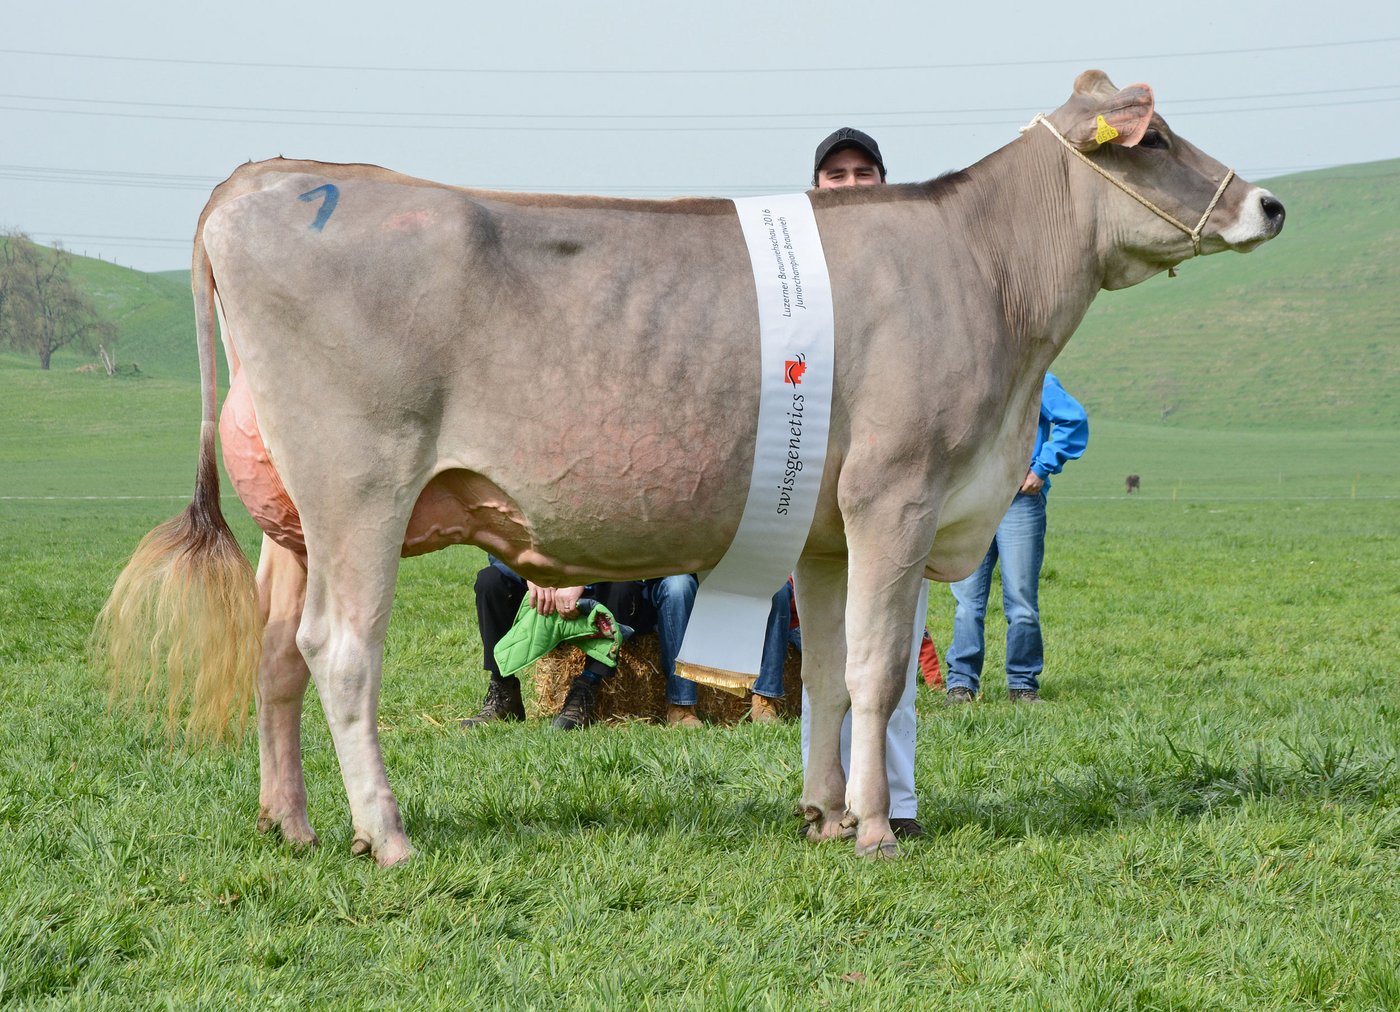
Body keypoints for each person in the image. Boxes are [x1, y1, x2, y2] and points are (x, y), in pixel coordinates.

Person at [798, 127, 924, 839]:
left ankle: (893, 801)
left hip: (891, 478)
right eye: (835, 174)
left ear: (885, 182)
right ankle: (825, 791)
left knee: (890, 647)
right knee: (824, 654)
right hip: (805, 485)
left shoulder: (912, 271)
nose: (849, 184)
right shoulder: (793, 277)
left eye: (862, 172)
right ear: (816, 188)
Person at [944, 373, 1088, 704]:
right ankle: (961, 685)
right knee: (967, 601)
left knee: (1021, 600)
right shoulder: (967, 374)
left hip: (1019, 501)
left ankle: (1022, 685)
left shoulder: (1035, 375)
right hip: (972, 500)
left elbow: (1073, 420)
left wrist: (1042, 467)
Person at [462, 557, 656, 730]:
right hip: (540, 586)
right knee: (490, 581)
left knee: (623, 588)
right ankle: (503, 690)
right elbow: (500, 549)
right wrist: (531, 574)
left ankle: (587, 687)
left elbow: (623, 547)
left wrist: (581, 579)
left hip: (598, 579)